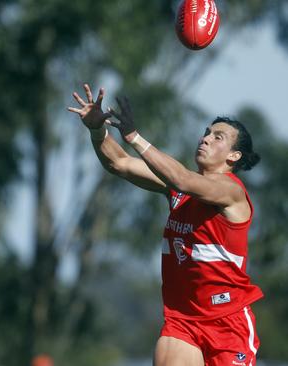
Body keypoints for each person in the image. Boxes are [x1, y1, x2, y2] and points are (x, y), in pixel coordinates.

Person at [67, 84, 264, 366]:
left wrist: (134, 136)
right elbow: (119, 163)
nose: (206, 139)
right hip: (182, 321)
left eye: (217, 137)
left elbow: (183, 179)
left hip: (227, 323)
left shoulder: (231, 192)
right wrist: (97, 130)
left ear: (234, 156)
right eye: (206, 132)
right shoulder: (178, 189)